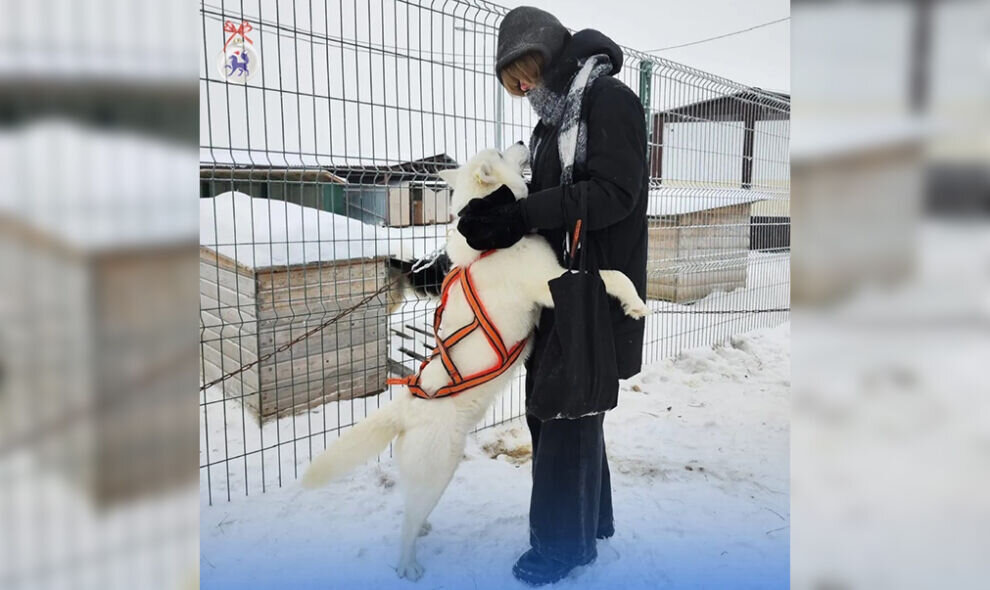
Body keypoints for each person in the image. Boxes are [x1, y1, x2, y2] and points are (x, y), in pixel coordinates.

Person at [454, 6, 649, 586]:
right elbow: (544, 200)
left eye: (522, 72)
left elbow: (616, 193)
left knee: (563, 410)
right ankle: (595, 519)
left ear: (544, 48)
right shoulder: (551, 123)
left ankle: (563, 546)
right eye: (511, 82)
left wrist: (524, 213)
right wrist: (499, 215)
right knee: (569, 408)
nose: (520, 87)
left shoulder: (608, 100)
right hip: (557, 282)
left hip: (594, 282)